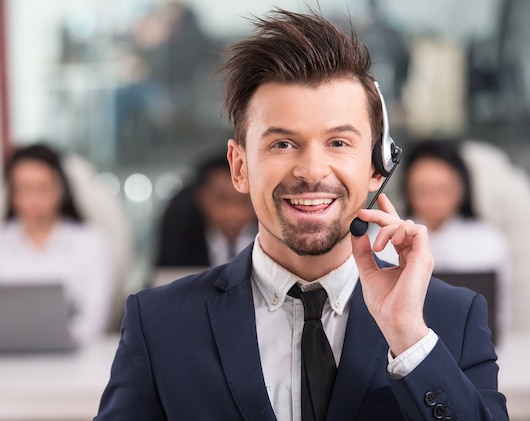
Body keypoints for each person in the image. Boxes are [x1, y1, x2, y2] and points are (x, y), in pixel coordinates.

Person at [94, 9, 507, 420]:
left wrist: (407, 337)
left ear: (377, 165)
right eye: (282, 144)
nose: (311, 171)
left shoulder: (450, 318)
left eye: (339, 143)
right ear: (239, 168)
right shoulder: (159, 323)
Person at [0, 143, 114, 345]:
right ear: (11, 193)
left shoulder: (90, 242)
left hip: (72, 358)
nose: (33, 200)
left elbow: (94, 322)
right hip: (5, 356)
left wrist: (61, 340)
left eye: (42, 188)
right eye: (23, 189)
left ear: (60, 190)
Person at [403, 140, 510, 334]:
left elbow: (498, 314)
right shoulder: (385, 238)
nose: (433, 200)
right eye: (422, 190)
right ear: (408, 190)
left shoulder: (488, 241)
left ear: (462, 189)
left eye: (443, 190)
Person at [156, 154, 257, 268]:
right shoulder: (181, 234)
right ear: (200, 197)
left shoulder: (269, 235)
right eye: (222, 200)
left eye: (244, 201)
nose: (233, 213)